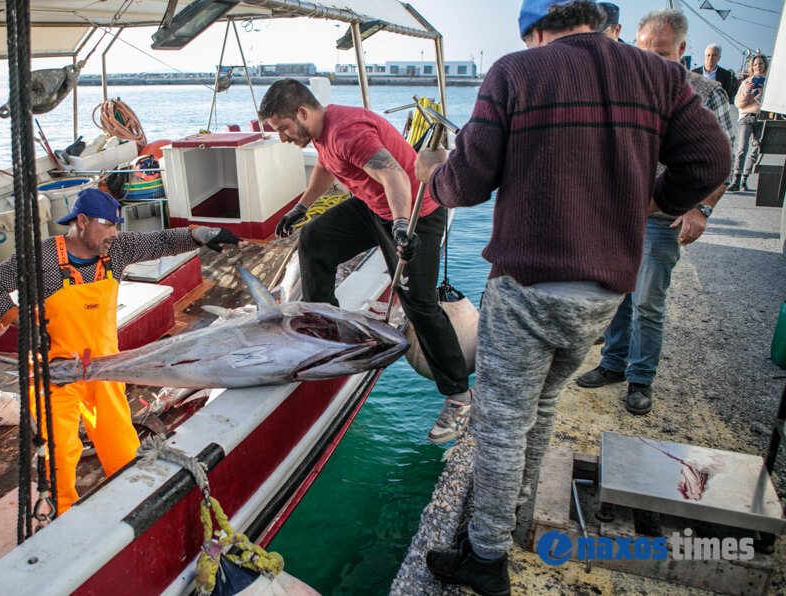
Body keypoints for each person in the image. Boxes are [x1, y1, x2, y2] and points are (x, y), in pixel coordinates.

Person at [412, 1, 730, 592]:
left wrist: (431, 175)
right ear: (598, 20)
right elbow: (713, 158)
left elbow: (469, 180)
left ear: (535, 30)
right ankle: (514, 520)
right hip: (604, 292)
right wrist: (650, 199)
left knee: (502, 420)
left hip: (529, 285)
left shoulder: (515, 71)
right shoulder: (658, 74)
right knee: (545, 405)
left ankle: (485, 558)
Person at [0, 188, 245, 514]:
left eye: (117, 225)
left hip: (104, 367)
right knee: (59, 455)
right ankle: (62, 518)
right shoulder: (40, 256)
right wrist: (23, 325)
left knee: (123, 447)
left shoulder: (116, 250)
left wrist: (202, 234)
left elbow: (159, 242)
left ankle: (135, 510)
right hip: (55, 373)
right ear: (82, 222)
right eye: (108, 225)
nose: (115, 233)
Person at [258, 79, 474, 444]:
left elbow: (393, 176)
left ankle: (459, 397)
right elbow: (326, 168)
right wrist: (301, 208)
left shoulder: (347, 132)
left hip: (414, 212)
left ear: (302, 113)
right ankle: (327, 329)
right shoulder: (324, 132)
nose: (282, 137)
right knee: (314, 239)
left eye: (283, 129)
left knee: (419, 304)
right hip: (374, 209)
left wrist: (404, 227)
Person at [576, 10, 734, 415]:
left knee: (648, 301)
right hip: (620, 216)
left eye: (661, 53)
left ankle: (640, 379)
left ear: (682, 50)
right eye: (643, 51)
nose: (649, 61)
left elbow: (723, 159)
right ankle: (612, 364)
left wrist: (701, 208)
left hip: (663, 218)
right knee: (615, 297)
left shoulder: (705, 92)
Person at [728, 53, 769, 192]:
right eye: (756, 64)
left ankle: (745, 179)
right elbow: (739, 103)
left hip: (762, 118)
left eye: (761, 64)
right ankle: (736, 179)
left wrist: (761, 92)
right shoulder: (747, 82)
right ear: (752, 66)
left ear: (765, 65)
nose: (758, 66)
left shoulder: (769, 83)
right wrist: (747, 91)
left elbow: (768, 103)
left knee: (755, 150)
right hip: (746, 117)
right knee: (741, 149)